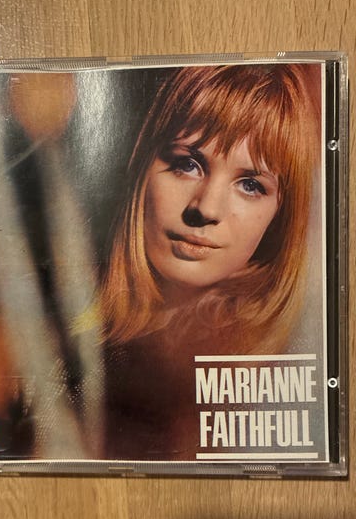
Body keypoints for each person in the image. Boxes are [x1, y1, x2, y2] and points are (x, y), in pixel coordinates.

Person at [97, 64, 322, 459]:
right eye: (187, 164)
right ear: (142, 166)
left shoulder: (256, 386)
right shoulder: (65, 325)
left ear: (279, 219)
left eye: (250, 185)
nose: (206, 208)